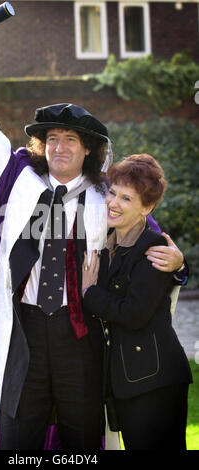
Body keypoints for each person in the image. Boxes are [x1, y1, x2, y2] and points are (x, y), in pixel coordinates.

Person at [0, 22, 187, 450]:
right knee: (19, 436)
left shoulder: (103, 198)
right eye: (52, 138)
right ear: (42, 145)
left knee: (81, 435)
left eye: (70, 139)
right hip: (26, 331)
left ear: (87, 149)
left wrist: (179, 265)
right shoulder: (18, 183)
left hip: (81, 335)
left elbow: (147, 236)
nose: (59, 147)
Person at [82, 154, 192, 450]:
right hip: (129, 380)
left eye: (126, 199)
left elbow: (133, 314)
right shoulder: (106, 241)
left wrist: (89, 293)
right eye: (113, 193)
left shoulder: (154, 249)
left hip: (155, 381)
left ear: (147, 207)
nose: (113, 203)